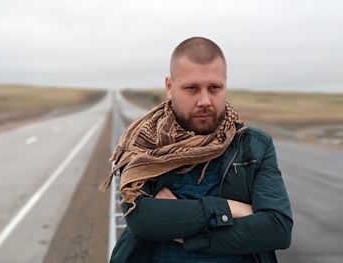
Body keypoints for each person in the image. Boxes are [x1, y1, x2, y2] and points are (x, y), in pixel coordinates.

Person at [100, 36, 293, 263]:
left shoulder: (254, 146)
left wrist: (190, 237)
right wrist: (231, 209)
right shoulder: (144, 144)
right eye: (192, 88)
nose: (205, 100)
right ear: (170, 88)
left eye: (214, 88)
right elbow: (142, 220)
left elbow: (277, 229)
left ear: (225, 84)